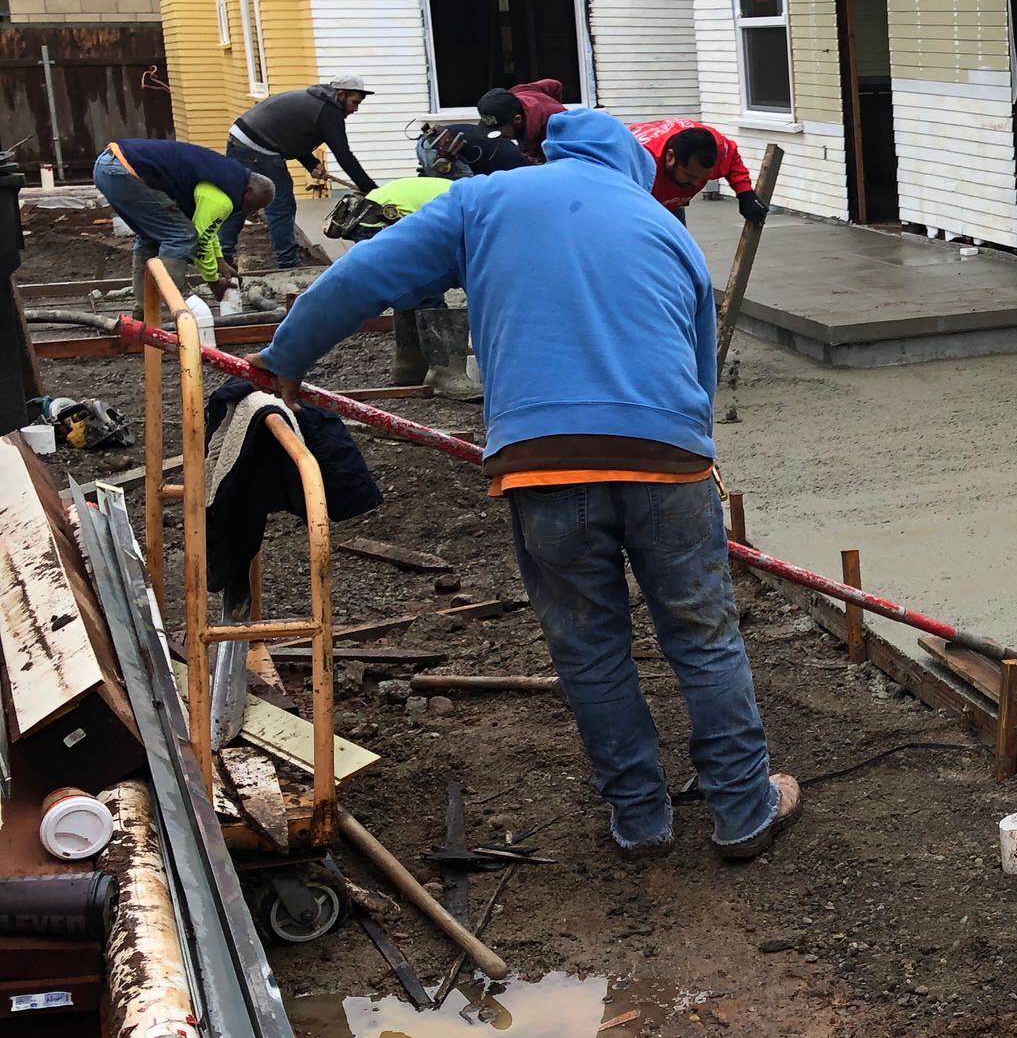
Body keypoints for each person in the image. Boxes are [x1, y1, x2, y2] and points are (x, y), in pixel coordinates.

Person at [252, 109, 798, 863]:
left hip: (543, 461)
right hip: (668, 456)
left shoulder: (485, 201)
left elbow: (365, 275)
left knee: (589, 646)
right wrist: (683, 443)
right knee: (704, 639)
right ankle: (743, 812)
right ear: (635, 166)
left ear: (551, 152)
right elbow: (698, 359)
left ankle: (640, 822)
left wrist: (288, 357)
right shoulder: (663, 224)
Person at [324, 175, 478, 397]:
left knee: (411, 288)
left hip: (369, 218)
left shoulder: (474, 195)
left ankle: (411, 366)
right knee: (428, 286)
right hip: (383, 219)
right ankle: (446, 373)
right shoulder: (485, 210)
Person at [94, 137, 272, 305]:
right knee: (181, 237)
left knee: (152, 238)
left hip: (110, 165)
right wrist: (212, 280)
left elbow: (208, 229)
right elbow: (201, 239)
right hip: (124, 171)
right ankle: (165, 311)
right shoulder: (224, 198)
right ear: (248, 190)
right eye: (251, 206)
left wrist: (219, 261)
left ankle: (145, 311)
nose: (247, 211)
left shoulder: (229, 178)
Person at [226, 76, 378, 267]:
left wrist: (311, 164)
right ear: (341, 94)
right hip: (257, 146)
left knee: (240, 199)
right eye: (354, 103)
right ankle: (288, 263)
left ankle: (223, 255)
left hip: (241, 137)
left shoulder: (317, 101)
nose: (355, 109)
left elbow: (291, 133)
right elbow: (344, 156)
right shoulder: (329, 112)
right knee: (281, 204)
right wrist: (372, 191)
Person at [629, 119, 768, 224]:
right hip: (632, 202)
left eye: (703, 178)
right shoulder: (638, 164)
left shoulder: (717, 147)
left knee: (678, 252)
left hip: (666, 197)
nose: (696, 183)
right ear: (670, 157)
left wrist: (745, 193)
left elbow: (732, 161)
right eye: (690, 176)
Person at [477, 79, 569, 157]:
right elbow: (553, 84)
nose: (502, 138)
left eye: (502, 133)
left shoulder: (553, 133)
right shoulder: (519, 93)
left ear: (517, 119)